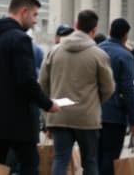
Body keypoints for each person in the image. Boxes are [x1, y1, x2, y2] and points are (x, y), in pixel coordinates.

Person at [0, 0, 60, 175]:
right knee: (29, 165)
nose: (36, 20)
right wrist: (47, 104)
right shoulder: (20, 39)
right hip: (18, 121)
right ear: (23, 12)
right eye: (35, 14)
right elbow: (26, 80)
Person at [40, 10, 115, 175]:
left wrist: (48, 109)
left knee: (60, 159)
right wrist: (95, 101)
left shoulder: (54, 51)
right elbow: (108, 87)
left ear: (75, 25)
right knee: (90, 161)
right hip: (87, 116)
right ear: (94, 30)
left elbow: (43, 85)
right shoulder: (98, 54)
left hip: (59, 114)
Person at [97, 18, 134, 175]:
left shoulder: (96, 50)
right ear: (126, 36)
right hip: (115, 114)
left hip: (93, 112)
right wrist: (133, 120)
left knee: (94, 156)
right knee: (111, 156)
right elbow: (128, 89)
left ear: (109, 31)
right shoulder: (125, 55)